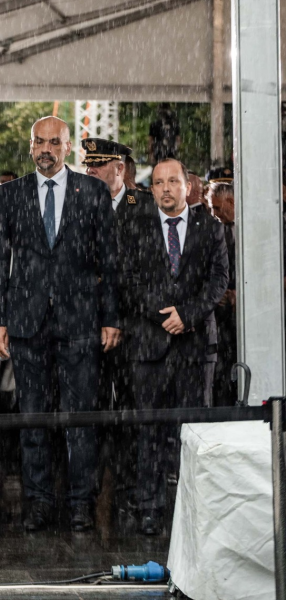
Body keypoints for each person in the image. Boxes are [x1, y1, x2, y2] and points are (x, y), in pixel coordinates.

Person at [0, 116, 120, 532]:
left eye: (54, 142)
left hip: (80, 322)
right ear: (31, 146)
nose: (46, 149)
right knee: (33, 419)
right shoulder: (11, 194)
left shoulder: (92, 192)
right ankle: (39, 503)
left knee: (81, 418)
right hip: (27, 324)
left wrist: (111, 317)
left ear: (68, 147)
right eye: (39, 142)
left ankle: (81, 503)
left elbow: (110, 261)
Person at [120, 159, 228, 535]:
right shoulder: (136, 228)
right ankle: (150, 508)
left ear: (187, 187)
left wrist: (188, 315)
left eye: (173, 181)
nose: (166, 188)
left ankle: (194, 507)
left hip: (196, 347)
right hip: (149, 345)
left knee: (194, 432)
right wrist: (164, 315)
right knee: (148, 431)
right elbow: (128, 280)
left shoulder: (211, 228)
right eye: (159, 182)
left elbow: (218, 280)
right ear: (152, 190)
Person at [80, 137, 156, 512]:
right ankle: (87, 489)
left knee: (131, 410)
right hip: (86, 324)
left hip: (132, 326)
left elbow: (147, 267)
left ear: (119, 168)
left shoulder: (143, 207)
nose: (90, 170)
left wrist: (118, 308)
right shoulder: (77, 204)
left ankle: (129, 489)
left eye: (98, 165)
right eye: (88, 165)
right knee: (88, 410)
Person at [206, 172, 237, 406]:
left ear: (232, 202)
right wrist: (219, 292)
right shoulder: (214, 232)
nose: (213, 213)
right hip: (222, 318)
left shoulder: (258, 227)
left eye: (217, 207)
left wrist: (242, 294)